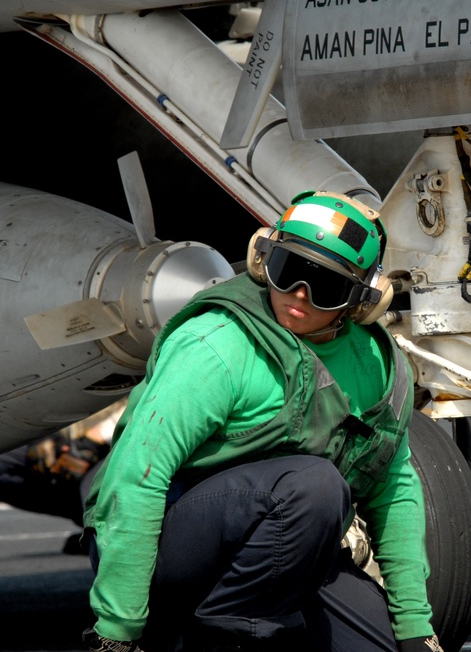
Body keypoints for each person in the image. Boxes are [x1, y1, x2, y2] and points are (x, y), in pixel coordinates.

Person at [81, 191, 443, 652]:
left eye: (325, 286)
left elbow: (393, 488)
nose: (298, 296)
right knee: (314, 486)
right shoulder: (216, 346)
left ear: (361, 302)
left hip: (281, 542)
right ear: (262, 259)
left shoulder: (377, 365)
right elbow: (137, 477)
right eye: (288, 270)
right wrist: (118, 628)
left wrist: (415, 623)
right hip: (164, 537)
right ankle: (227, 634)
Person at [0, 399, 124, 554]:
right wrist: (44, 429)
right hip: (74, 422)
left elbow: (147, 394)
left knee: (92, 492)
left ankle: (113, 536)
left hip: (123, 432)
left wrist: (92, 441)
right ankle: (88, 521)